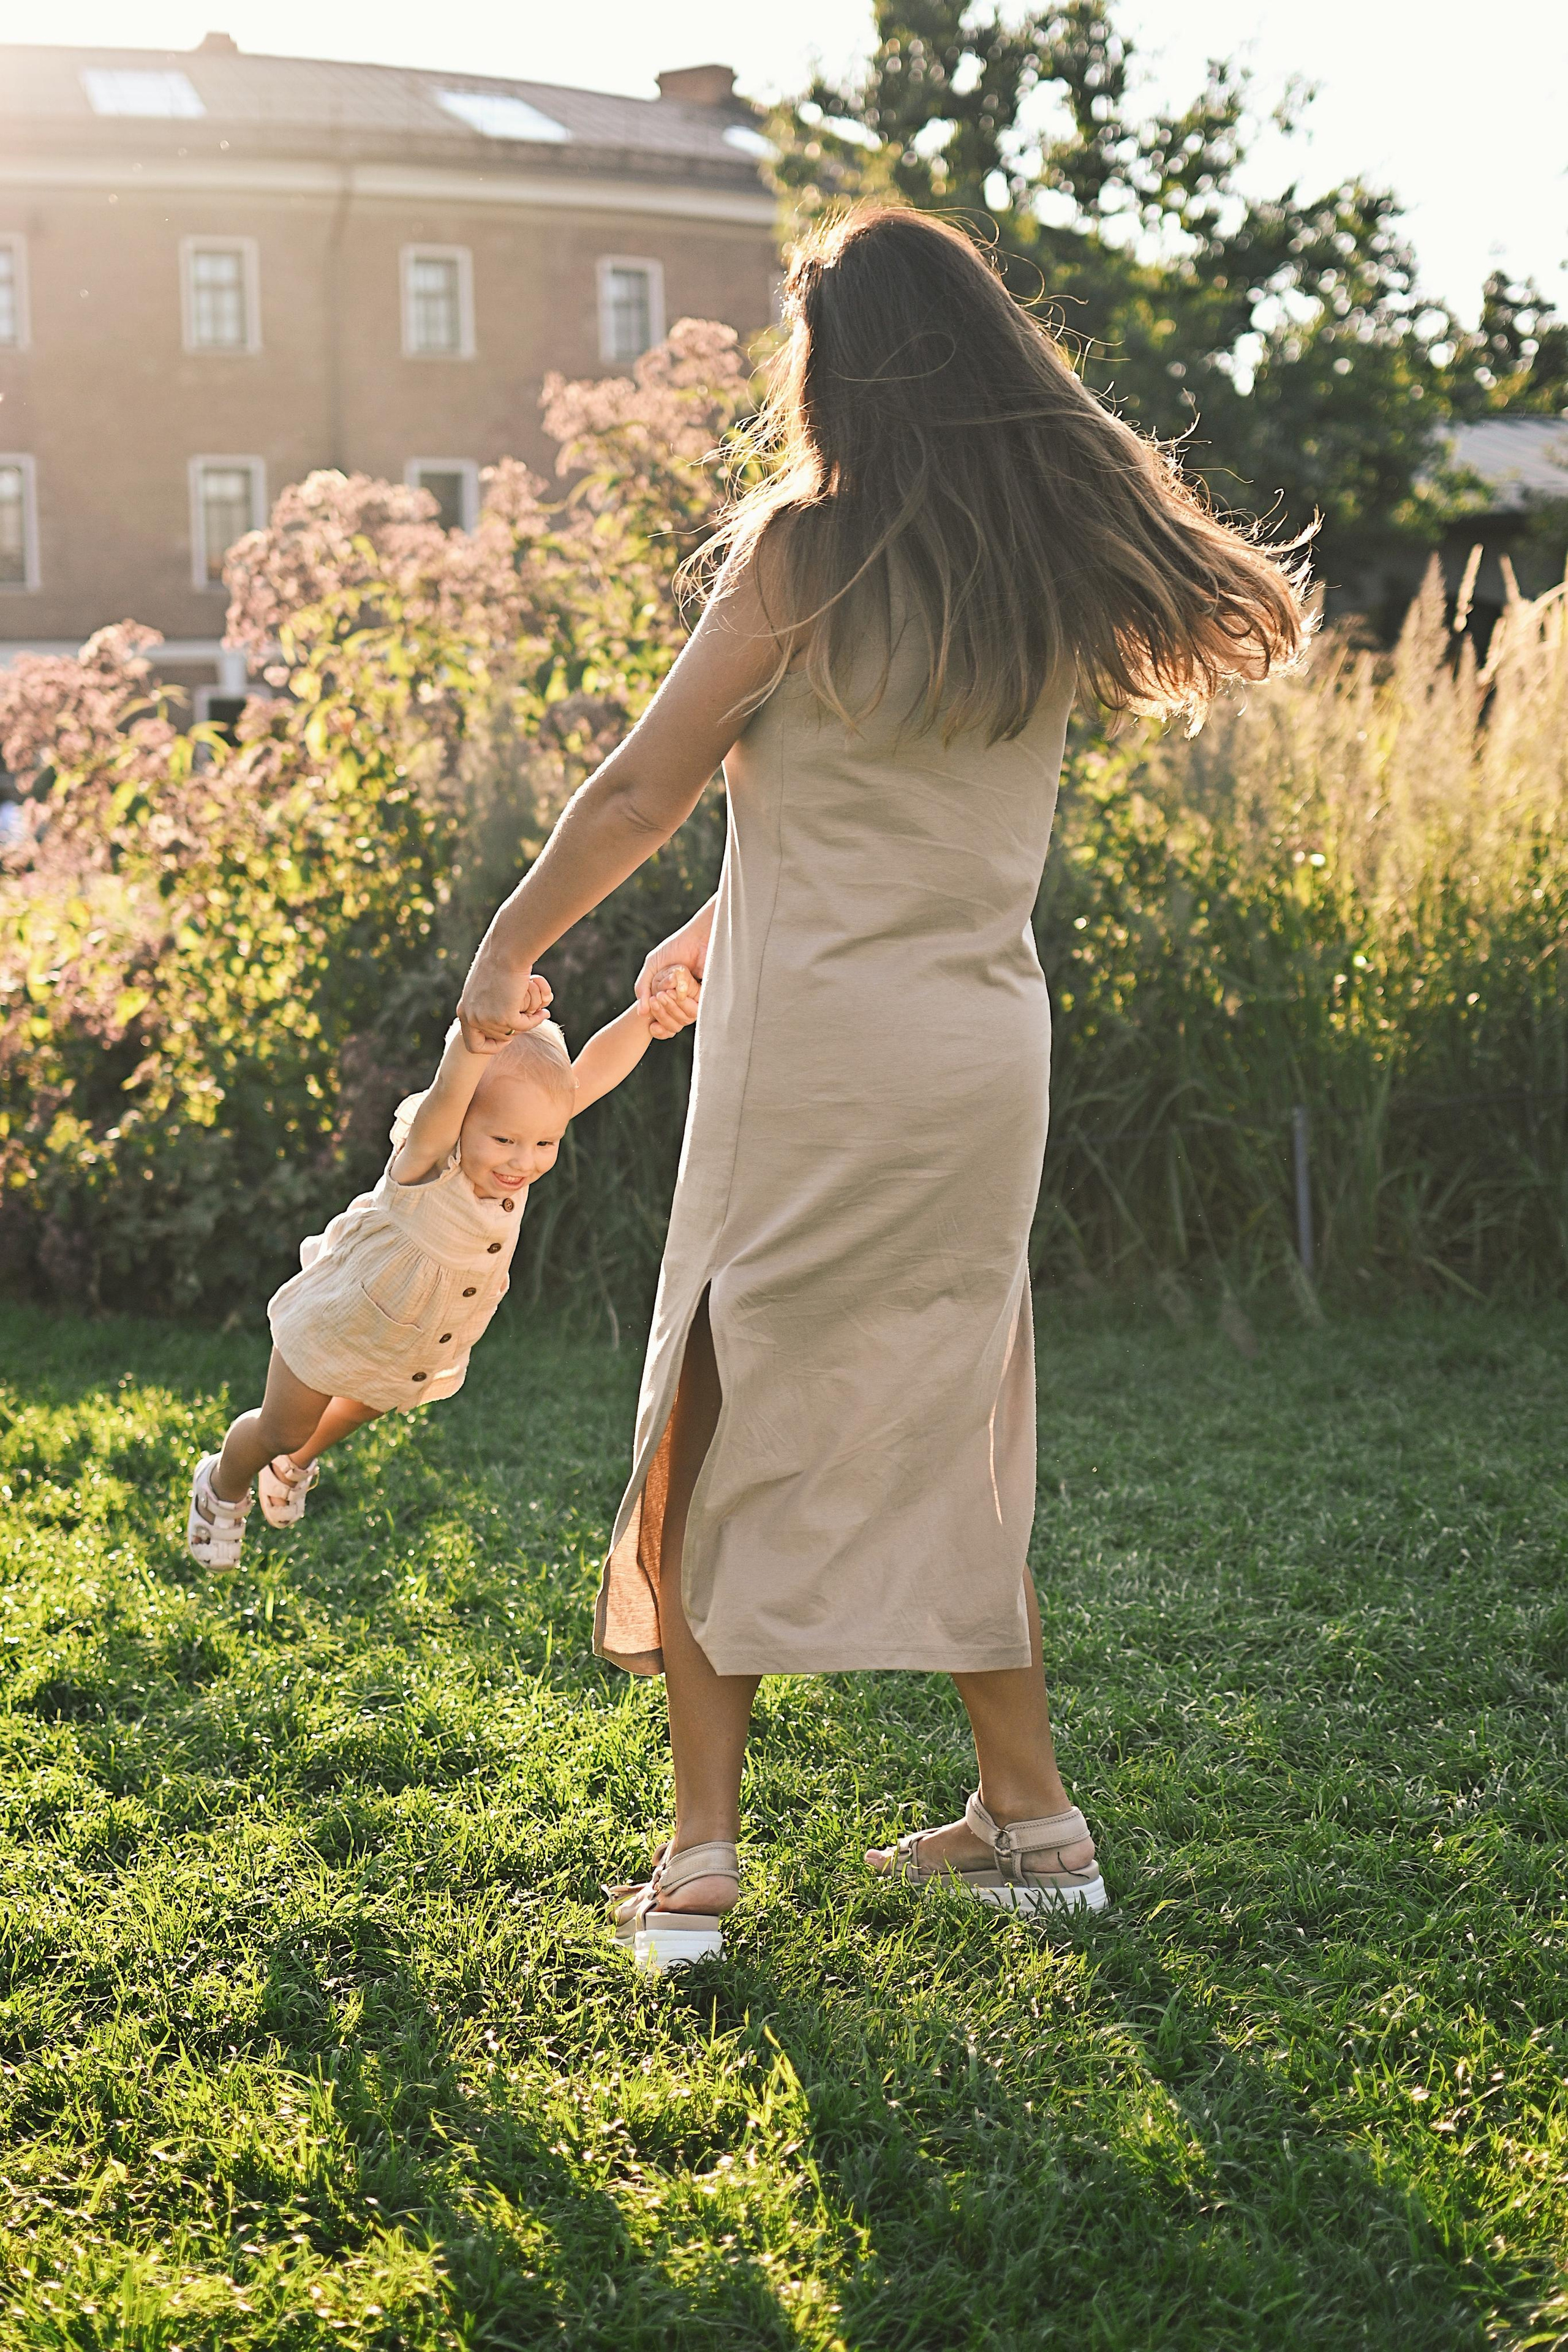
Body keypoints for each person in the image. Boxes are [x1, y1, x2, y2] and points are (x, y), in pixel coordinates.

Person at [457, 204, 1310, 1972]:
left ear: (835, 367)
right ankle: (1037, 1824)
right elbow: (888, 804)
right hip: (980, 1058)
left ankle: (699, 1862)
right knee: (949, 1416)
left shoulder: (804, 552)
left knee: (713, 1403)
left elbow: (638, 788)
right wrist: (726, 910)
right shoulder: (1046, 564)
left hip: (819, 1069)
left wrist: (506, 945)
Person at [185, 969, 698, 1566]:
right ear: (459, 1120)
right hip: (339, 1318)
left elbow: (590, 1074)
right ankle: (222, 1483)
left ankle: (293, 1466)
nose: (523, 1162)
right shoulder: (430, 1153)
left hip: (414, 1333)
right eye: (504, 1141)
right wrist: (479, 1031)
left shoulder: (524, 1127)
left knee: (370, 1402)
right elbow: (455, 1086)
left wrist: (645, 1018)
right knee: (281, 1427)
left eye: (543, 1145)